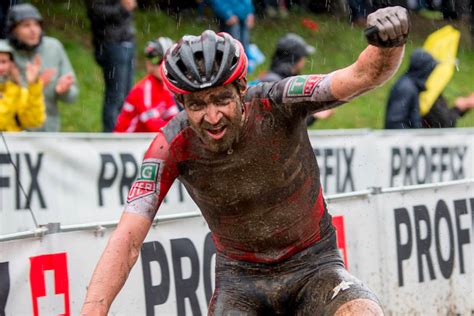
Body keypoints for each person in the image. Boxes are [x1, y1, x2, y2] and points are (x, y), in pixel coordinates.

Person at [82, 6, 409, 315]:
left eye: (222, 99)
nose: (212, 117)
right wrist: (92, 310)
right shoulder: (169, 144)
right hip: (241, 281)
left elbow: (359, 77)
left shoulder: (278, 101)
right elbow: (127, 238)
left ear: (241, 88)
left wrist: (388, 43)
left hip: (314, 265)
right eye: (196, 105)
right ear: (181, 102)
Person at [6, 3, 78, 132]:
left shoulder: (53, 47)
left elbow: (73, 97)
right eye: (26, 25)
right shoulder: (4, 53)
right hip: (11, 133)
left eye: (36, 24)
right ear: (13, 29)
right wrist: (33, 86)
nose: (33, 30)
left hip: (47, 132)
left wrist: (64, 90)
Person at [385, 48, 474, 129]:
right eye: (431, 69)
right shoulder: (406, 88)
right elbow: (394, 122)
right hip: (404, 143)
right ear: (424, 69)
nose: (432, 73)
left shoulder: (413, 86)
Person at [261, 33, 334, 125]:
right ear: (295, 58)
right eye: (303, 57)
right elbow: (282, 122)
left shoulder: (273, 79)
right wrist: (313, 115)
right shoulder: (275, 83)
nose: (304, 61)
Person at [85, 0, 136, 132]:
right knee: (115, 96)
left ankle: (123, 132)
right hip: (111, 44)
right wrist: (123, 8)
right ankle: (111, 138)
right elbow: (98, 13)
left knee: (126, 95)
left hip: (127, 41)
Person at [113, 37, 180, 133]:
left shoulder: (164, 88)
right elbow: (152, 125)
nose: (163, 66)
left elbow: (175, 119)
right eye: (159, 61)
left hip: (141, 142)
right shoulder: (143, 89)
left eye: (168, 62)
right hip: (124, 143)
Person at [0, 39, 45, 131]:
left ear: (12, 64)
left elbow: (34, 121)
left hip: (15, 143)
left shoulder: (19, 90)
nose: (0, 67)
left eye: (4, 62)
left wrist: (34, 84)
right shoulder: (15, 90)